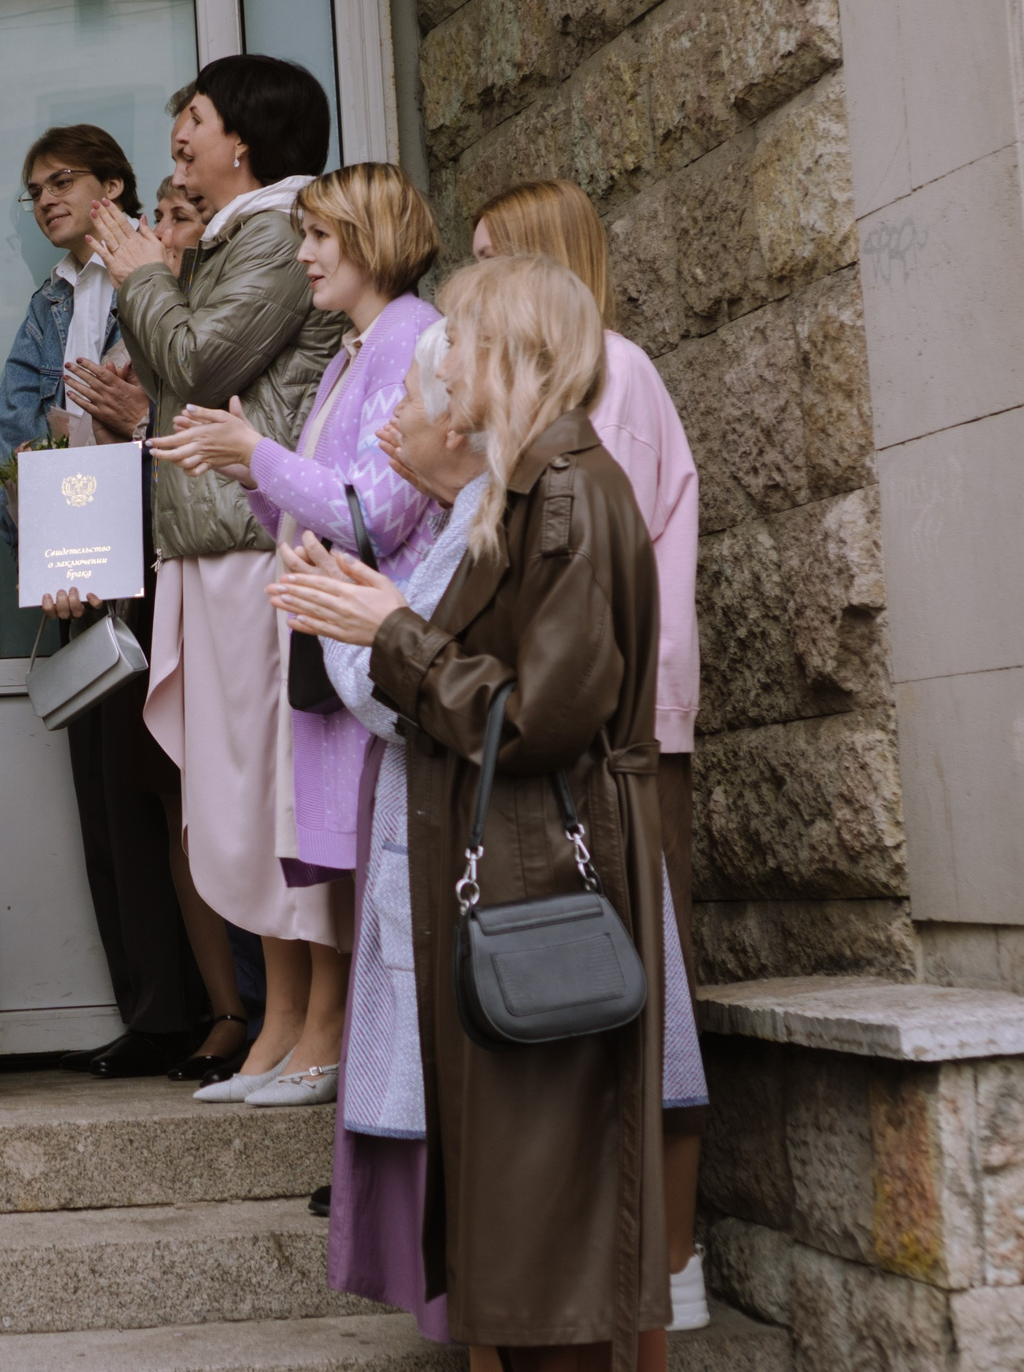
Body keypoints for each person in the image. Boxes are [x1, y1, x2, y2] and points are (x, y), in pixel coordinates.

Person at [278, 253, 671, 1371]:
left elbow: (540, 718)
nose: (442, 360)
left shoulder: (564, 497)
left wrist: (387, 635)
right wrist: (383, 620)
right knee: (521, 1215)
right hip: (516, 870)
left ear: (508, 357)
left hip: (543, 876)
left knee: (549, 1215)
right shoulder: (535, 487)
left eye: (463, 336)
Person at [150, 164, 443, 1106]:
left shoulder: (405, 339)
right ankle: (335, 1061)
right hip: (334, 642)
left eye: (321, 238)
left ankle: (353, 1068)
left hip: (368, 646)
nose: (305, 255)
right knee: (347, 871)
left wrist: (255, 454)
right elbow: (318, 505)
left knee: (376, 881)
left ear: (371, 241)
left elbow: (374, 512)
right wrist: (243, 467)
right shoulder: (363, 346)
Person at [469, 179, 710, 1325]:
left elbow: (577, 585)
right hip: (603, 714)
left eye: (484, 267)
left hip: (622, 726)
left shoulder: (605, 382)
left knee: (629, 977)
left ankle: (667, 1255)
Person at [86, 55, 346, 1109]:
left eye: (191, 118)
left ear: (243, 140)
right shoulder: (238, 237)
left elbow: (194, 366)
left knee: (279, 794)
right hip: (209, 538)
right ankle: (278, 1022)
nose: (177, 137)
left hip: (256, 538)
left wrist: (143, 276)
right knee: (236, 797)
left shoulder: (281, 234)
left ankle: (319, 1026)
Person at [268, 319, 483, 1343]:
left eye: (410, 405)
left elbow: (418, 693)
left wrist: (364, 625)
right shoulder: (473, 518)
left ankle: (476, 1324)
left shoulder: (487, 526)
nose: (393, 421)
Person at [0, 126, 210, 1080]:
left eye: (63, 181)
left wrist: (127, 430)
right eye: (33, 189)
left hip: (163, 558)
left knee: (174, 794)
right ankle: (152, 1009)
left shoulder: (164, 283)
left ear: (111, 186)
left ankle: (217, 1009)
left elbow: (197, 415)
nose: (45, 200)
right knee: (106, 800)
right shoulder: (51, 301)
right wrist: (44, 548)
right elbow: (12, 438)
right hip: (81, 562)